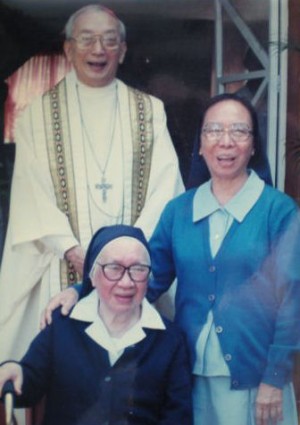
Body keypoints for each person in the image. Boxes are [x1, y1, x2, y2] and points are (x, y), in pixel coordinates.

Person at [47, 93, 300, 425]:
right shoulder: (179, 211)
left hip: (256, 381)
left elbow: (293, 299)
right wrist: (80, 292)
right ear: (200, 144)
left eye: (239, 131)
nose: (226, 142)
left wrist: (274, 378)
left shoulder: (278, 211)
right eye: (213, 131)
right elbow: (143, 279)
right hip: (187, 375)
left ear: (253, 145)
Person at [0, 4, 183, 363]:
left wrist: (128, 253)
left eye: (109, 40)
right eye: (87, 39)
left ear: (123, 50)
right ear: (68, 48)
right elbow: (30, 193)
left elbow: (165, 190)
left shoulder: (150, 110)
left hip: (132, 270)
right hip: (62, 262)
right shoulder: (37, 114)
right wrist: (72, 249)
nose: (98, 49)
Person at [0, 224, 193, 425]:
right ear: (92, 275)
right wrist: (13, 370)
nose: (126, 282)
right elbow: (29, 385)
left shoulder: (170, 341)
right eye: (114, 268)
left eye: (138, 269)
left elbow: (178, 417)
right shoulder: (62, 325)